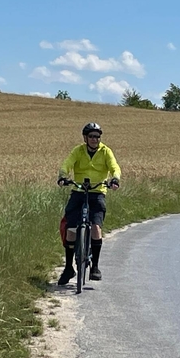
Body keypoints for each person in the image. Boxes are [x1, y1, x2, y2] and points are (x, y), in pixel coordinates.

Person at [57, 122, 121, 285]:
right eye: (92, 136)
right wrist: (63, 176)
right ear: (85, 138)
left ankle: (95, 268)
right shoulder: (78, 151)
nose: (95, 139)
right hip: (79, 191)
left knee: (96, 227)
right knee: (71, 229)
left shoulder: (106, 151)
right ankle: (69, 268)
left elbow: (115, 167)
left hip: (97, 192)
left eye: (97, 136)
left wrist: (115, 179)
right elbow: (67, 164)